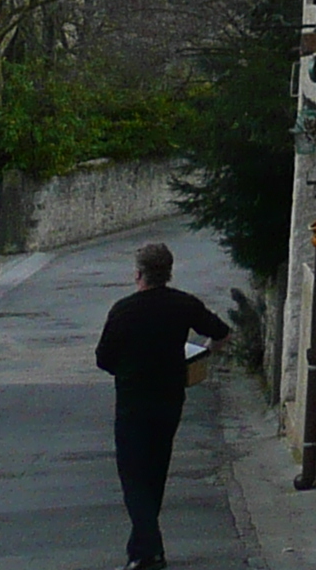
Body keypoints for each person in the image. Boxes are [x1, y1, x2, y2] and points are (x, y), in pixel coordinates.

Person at [93, 241, 230, 570]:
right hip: (170, 397)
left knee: (133, 476)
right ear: (168, 272)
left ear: (138, 273)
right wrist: (204, 355)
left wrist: (125, 369)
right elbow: (221, 332)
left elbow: (104, 358)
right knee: (155, 471)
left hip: (133, 400)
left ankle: (148, 550)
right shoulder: (183, 304)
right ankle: (142, 551)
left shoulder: (124, 310)